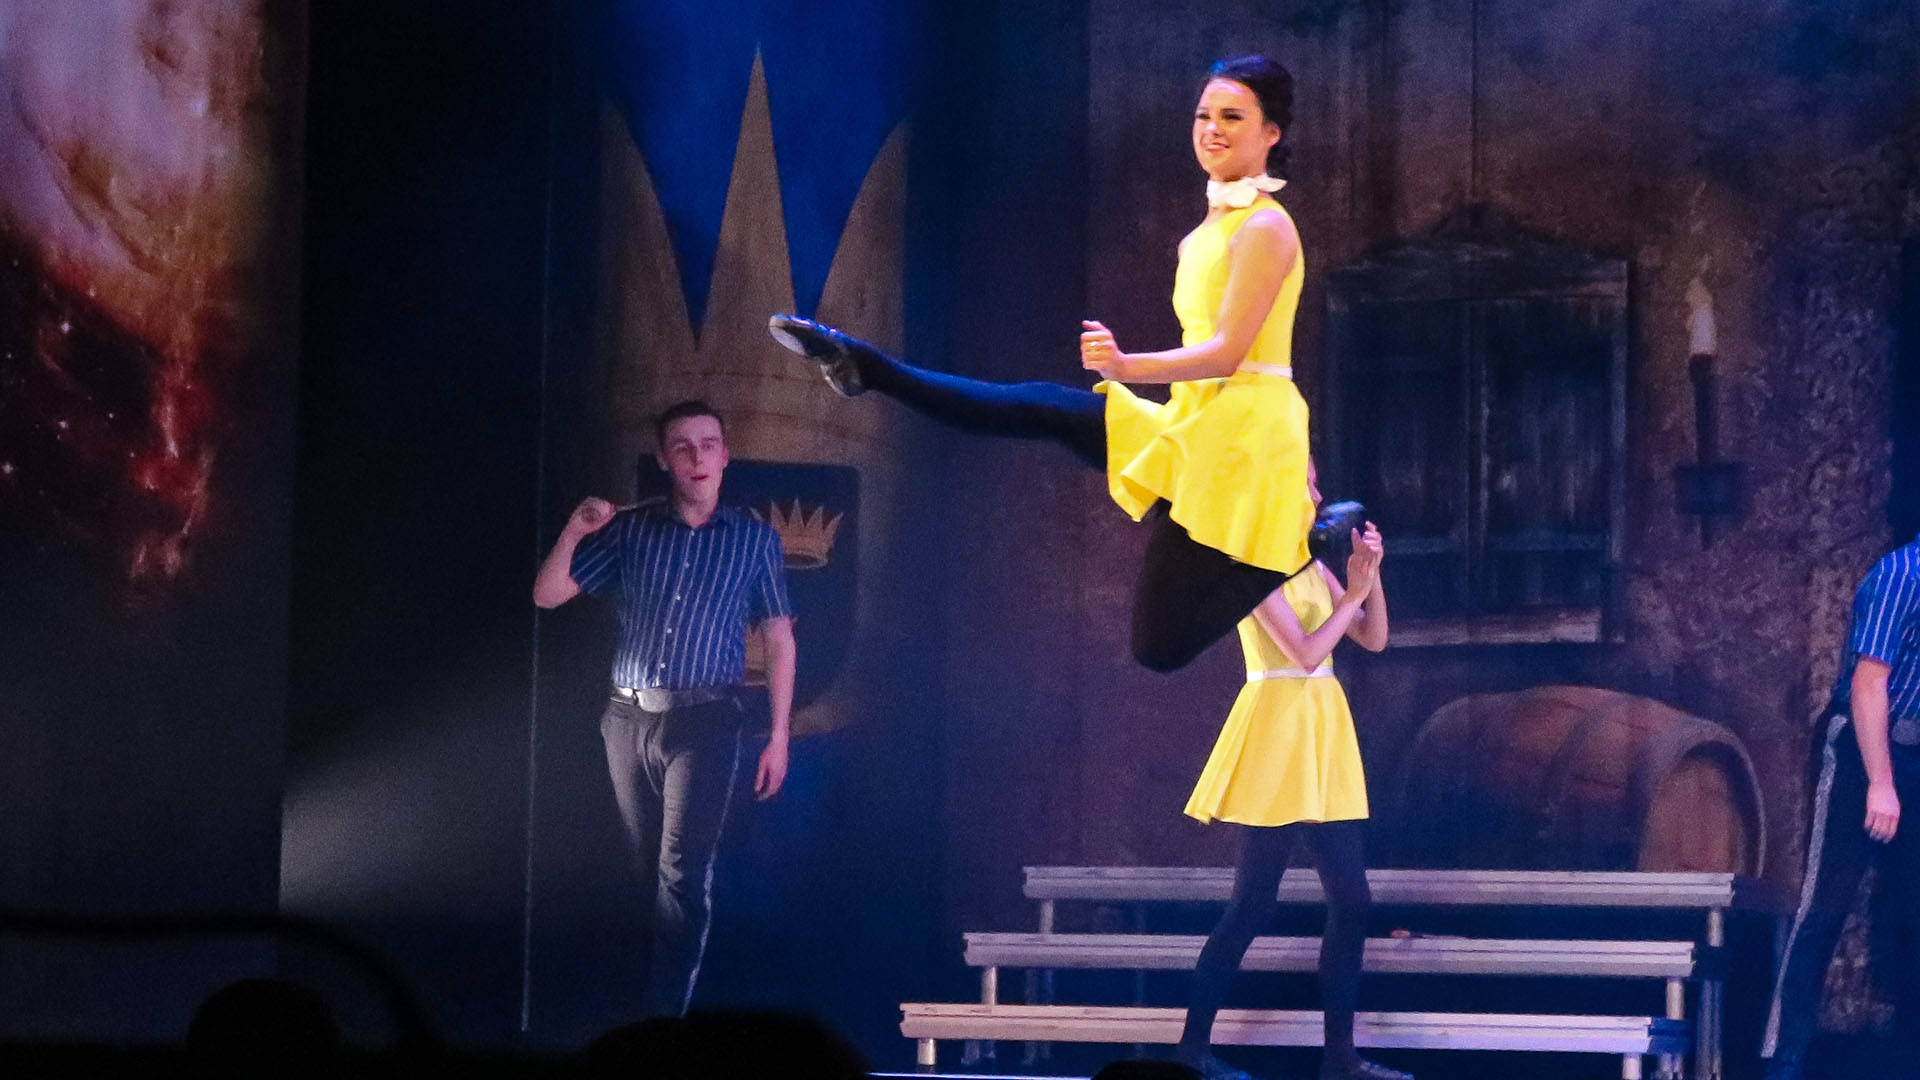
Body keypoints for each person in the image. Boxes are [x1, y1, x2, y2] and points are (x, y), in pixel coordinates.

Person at [768, 55, 1314, 674]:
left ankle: (1301, 548)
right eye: (1204, 116)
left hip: (1244, 438)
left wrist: (1126, 366)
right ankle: (867, 365)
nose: (1212, 129)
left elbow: (1228, 354)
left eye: (1232, 117)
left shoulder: (1267, 228)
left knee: (1157, 647)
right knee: (1039, 405)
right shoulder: (1206, 230)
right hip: (1193, 422)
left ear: (1271, 133)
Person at [534, 400, 796, 1018]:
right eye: (683, 446)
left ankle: (664, 1021)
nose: (698, 457)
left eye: (709, 445)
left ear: (725, 455)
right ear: (664, 460)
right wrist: (575, 530)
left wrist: (778, 737)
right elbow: (546, 597)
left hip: (705, 719)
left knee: (680, 873)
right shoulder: (630, 530)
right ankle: (633, 1008)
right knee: (639, 873)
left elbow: (780, 638)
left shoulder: (755, 540)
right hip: (626, 719)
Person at [1174, 469, 1408, 1080]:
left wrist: (1368, 578)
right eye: (1304, 485)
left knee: (1352, 900)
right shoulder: (1248, 571)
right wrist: (1352, 596)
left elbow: (1373, 638)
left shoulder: (1312, 568)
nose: (1317, 496)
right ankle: (1192, 1049)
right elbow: (1304, 653)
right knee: (1251, 904)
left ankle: (1340, 1058)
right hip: (1277, 729)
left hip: (1322, 732)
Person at [1762, 531, 1920, 1080]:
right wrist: (1881, 782)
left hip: (1916, 750)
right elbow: (1868, 685)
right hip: (1860, 749)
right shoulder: (1902, 574)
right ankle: (1783, 1057)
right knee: (1823, 907)